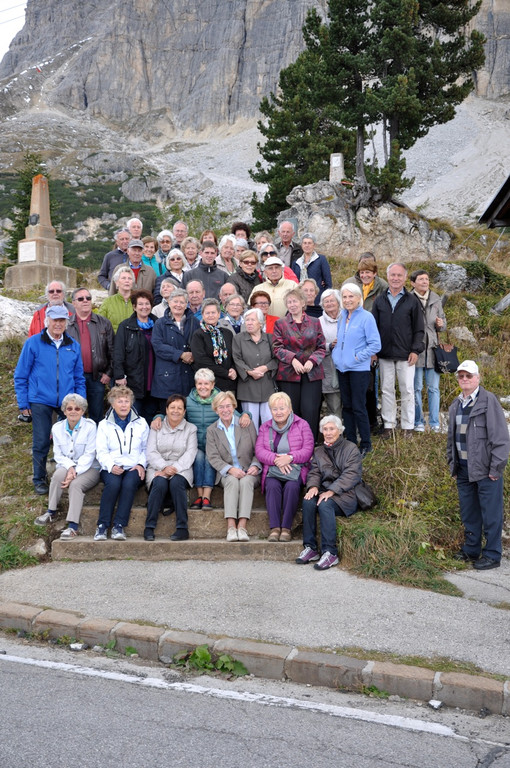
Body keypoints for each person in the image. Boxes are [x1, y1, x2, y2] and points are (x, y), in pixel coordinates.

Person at [14, 305, 86, 495]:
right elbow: (21, 375)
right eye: (55, 320)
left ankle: (68, 475)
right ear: (47, 320)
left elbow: (79, 378)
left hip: (67, 401)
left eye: (62, 320)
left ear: (67, 322)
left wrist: (81, 402)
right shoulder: (33, 343)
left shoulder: (73, 345)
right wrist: (23, 404)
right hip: (40, 399)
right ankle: (39, 479)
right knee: (41, 441)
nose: (58, 323)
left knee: (69, 442)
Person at [447, 361, 510, 571]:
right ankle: (471, 549)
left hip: (486, 469)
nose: (465, 379)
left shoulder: (488, 401)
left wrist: (496, 469)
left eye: (469, 376)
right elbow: (451, 439)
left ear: (478, 378)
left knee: (491, 514)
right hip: (464, 469)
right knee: (469, 512)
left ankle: (492, 555)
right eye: (461, 376)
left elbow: (501, 438)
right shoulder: (456, 404)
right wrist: (452, 465)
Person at [298, 415, 362, 570]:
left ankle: (330, 552)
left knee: (325, 505)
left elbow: (352, 474)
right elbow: (314, 473)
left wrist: (332, 491)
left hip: (347, 494)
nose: (328, 432)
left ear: (339, 430)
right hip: (325, 491)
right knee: (308, 501)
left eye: (332, 429)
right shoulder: (319, 451)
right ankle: (311, 548)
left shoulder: (351, 448)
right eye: (325, 429)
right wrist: (313, 486)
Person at [34, 393, 100, 539]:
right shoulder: (57, 428)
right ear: (64, 411)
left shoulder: (90, 426)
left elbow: (90, 454)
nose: (73, 411)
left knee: (75, 485)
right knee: (57, 475)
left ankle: (72, 526)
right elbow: (58, 454)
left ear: (83, 411)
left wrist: (74, 471)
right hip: (68, 465)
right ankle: (51, 512)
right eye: (69, 408)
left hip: (89, 468)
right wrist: (70, 467)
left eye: (77, 408)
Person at [372, 263, 424, 437]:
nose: (395, 278)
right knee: (386, 389)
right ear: (387, 276)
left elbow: (419, 329)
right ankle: (389, 425)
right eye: (392, 275)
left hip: (406, 354)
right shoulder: (379, 300)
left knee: (407, 389)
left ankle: (408, 426)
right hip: (384, 353)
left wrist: (416, 350)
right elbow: (373, 328)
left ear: (404, 278)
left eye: (399, 275)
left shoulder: (412, 301)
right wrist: (374, 351)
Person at [255, 392, 314, 542]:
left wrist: (290, 458)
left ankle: (286, 528)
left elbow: (308, 449)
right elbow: (260, 451)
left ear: (289, 409)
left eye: (282, 408)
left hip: (296, 469)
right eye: (275, 409)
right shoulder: (265, 427)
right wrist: (277, 460)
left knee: (292, 487)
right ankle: (275, 528)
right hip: (273, 470)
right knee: (272, 486)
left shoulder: (302, 425)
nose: (278, 412)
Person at [94, 386, 149, 541]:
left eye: (127, 401)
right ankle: (102, 526)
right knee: (113, 484)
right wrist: (111, 466)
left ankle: (119, 525)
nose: (124, 405)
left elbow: (146, 448)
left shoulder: (141, 423)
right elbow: (101, 450)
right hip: (111, 466)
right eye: (120, 401)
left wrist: (140, 464)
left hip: (134, 466)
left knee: (129, 484)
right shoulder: (104, 425)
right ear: (113, 404)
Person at [332, 284, 381, 456]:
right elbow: (341, 340)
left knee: (359, 406)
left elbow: (376, 344)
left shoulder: (366, 317)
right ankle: (351, 442)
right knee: (347, 406)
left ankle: (366, 443)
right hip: (342, 368)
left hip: (359, 369)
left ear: (359, 298)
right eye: (344, 297)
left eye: (351, 296)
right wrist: (338, 356)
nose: (347, 300)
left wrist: (357, 357)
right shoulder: (342, 316)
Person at [272, 287, 326, 441]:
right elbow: (277, 347)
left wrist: (312, 361)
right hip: (289, 374)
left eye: (295, 301)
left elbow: (321, 347)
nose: (292, 304)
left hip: (312, 374)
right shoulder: (280, 323)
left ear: (303, 302)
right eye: (289, 302)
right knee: (291, 410)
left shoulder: (315, 322)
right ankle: (291, 443)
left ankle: (310, 444)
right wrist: (292, 359)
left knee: (310, 410)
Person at [206, 391, 261, 541]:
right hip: (227, 473)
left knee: (246, 481)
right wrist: (230, 469)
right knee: (231, 481)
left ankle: (242, 527)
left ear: (234, 407)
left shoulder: (246, 424)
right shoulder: (212, 430)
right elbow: (213, 456)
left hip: (249, 470)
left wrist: (255, 465)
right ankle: (231, 527)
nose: (225, 410)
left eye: (228, 406)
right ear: (216, 410)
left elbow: (259, 449)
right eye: (221, 407)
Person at [144, 394, 197, 541]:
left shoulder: (191, 429)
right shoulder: (156, 426)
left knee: (176, 482)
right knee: (159, 483)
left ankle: (182, 528)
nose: (176, 411)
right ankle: (149, 526)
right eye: (172, 407)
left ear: (184, 411)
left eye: (180, 408)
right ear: (166, 410)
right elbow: (151, 451)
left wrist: (174, 468)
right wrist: (164, 467)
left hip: (181, 467)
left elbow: (191, 452)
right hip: (157, 466)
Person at [66, 287, 114, 424]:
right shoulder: (67, 325)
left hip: (97, 377)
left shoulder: (104, 323)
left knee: (96, 415)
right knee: (73, 415)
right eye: (81, 299)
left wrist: (108, 373)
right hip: (73, 377)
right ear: (73, 303)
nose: (85, 301)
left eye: (88, 298)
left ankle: (96, 445)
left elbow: (113, 350)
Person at [113, 289, 159, 422]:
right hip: (134, 380)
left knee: (150, 417)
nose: (144, 307)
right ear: (134, 307)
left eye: (147, 303)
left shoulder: (159, 324)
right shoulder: (126, 326)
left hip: (154, 380)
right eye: (140, 304)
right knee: (134, 418)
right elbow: (118, 353)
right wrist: (119, 375)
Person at [410, 269, 447, 433]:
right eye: (421, 279)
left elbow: (443, 324)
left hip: (432, 350)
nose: (425, 282)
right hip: (415, 350)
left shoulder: (436, 299)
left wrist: (441, 324)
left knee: (433, 388)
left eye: (426, 279)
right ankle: (418, 421)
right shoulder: (408, 299)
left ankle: (434, 423)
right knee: (416, 388)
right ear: (412, 283)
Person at [151, 288, 200, 406]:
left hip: (189, 377)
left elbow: (200, 343)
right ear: (169, 302)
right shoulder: (160, 323)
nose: (178, 305)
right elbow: (158, 346)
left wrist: (194, 354)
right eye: (175, 301)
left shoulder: (195, 322)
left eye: (182, 302)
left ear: (186, 304)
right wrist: (181, 355)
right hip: (167, 380)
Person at [232, 307, 277, 431]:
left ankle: (267, 448)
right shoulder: (239, 338)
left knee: (268, 423)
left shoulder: (270, 338)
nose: (249, 323)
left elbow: (277, 359)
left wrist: (265, 367)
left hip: (267, 386)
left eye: (252, 320)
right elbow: (236, 358)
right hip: (248, 387)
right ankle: (252, 450)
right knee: (251, 425)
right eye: (247, 320)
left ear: (261, 323)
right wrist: (249, 371)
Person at [191, 298, 237, 392]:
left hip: (229, 383)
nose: (211, 315)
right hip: (208, 384)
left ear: (219, 314)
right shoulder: (198, 334)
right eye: (207, 313)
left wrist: (233, 369)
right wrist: (225, 373)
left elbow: (234, 355)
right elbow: (201, 361)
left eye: (213, 312)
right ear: (203, 315)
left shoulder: (227, 333)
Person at [319, 289, 342, 418]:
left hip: (348, 369)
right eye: (326, 301)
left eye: (332, 300)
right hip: (329, 369)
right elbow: (315, 346)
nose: (329, 304)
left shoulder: (348, 317)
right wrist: (330, 346)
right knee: (334, 406)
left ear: (338, 302)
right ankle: (336, 436)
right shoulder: (318, 322)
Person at [292, 233, 332, 301]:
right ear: (301, 245)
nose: (307, 245)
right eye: (305, 243)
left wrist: (325, 298)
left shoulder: (321, 259)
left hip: (317, 299)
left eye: (309, 243)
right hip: (300, 299)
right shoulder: (296, 263)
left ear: (314, 245)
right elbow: (293, 283)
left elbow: (328, 282)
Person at [98, 266, 135, 332]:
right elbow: (99, 323)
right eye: (123, 278)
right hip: (114, 340)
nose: (127, 281)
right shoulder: (108, 302)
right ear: (116, 282)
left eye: (129, 278)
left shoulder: (137, 301)